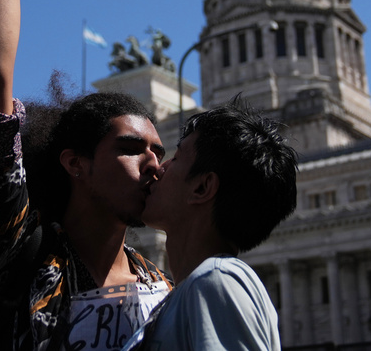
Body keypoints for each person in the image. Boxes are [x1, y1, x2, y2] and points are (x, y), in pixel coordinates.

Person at [0, 0, 171, 351]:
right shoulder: (16, 246)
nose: (155, 164)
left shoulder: (162, 288)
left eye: (159, 151)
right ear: (76, 163)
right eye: (132, 149)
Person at [123, 100, 298, 350]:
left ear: (202, 187)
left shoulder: (216, 281)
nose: (160, 168)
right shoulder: (195, 287)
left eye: (177, 157)